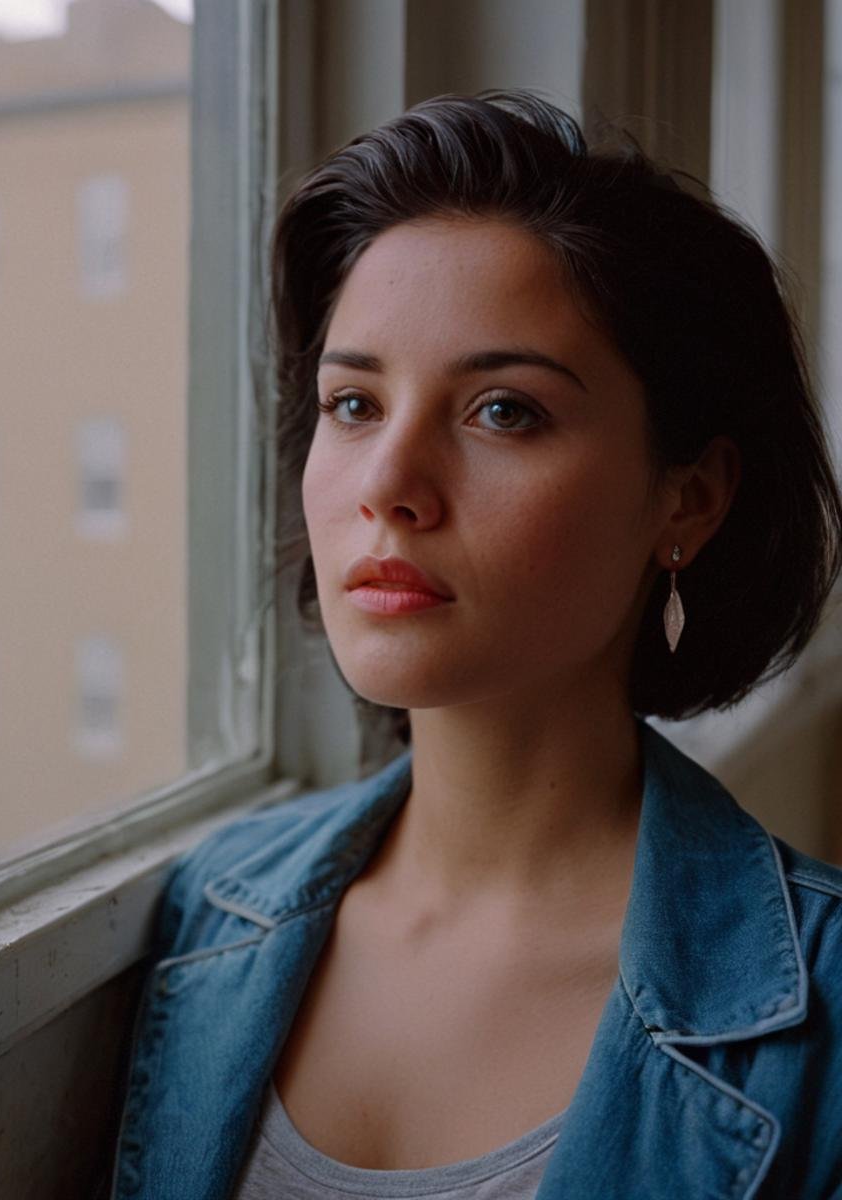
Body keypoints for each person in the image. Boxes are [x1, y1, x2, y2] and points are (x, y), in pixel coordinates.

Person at [107, 92, 842, 1199]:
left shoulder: (825, 1016)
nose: (388, 487)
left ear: (687, 500)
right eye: (353, 404)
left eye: (503, 411)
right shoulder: (214, 907)